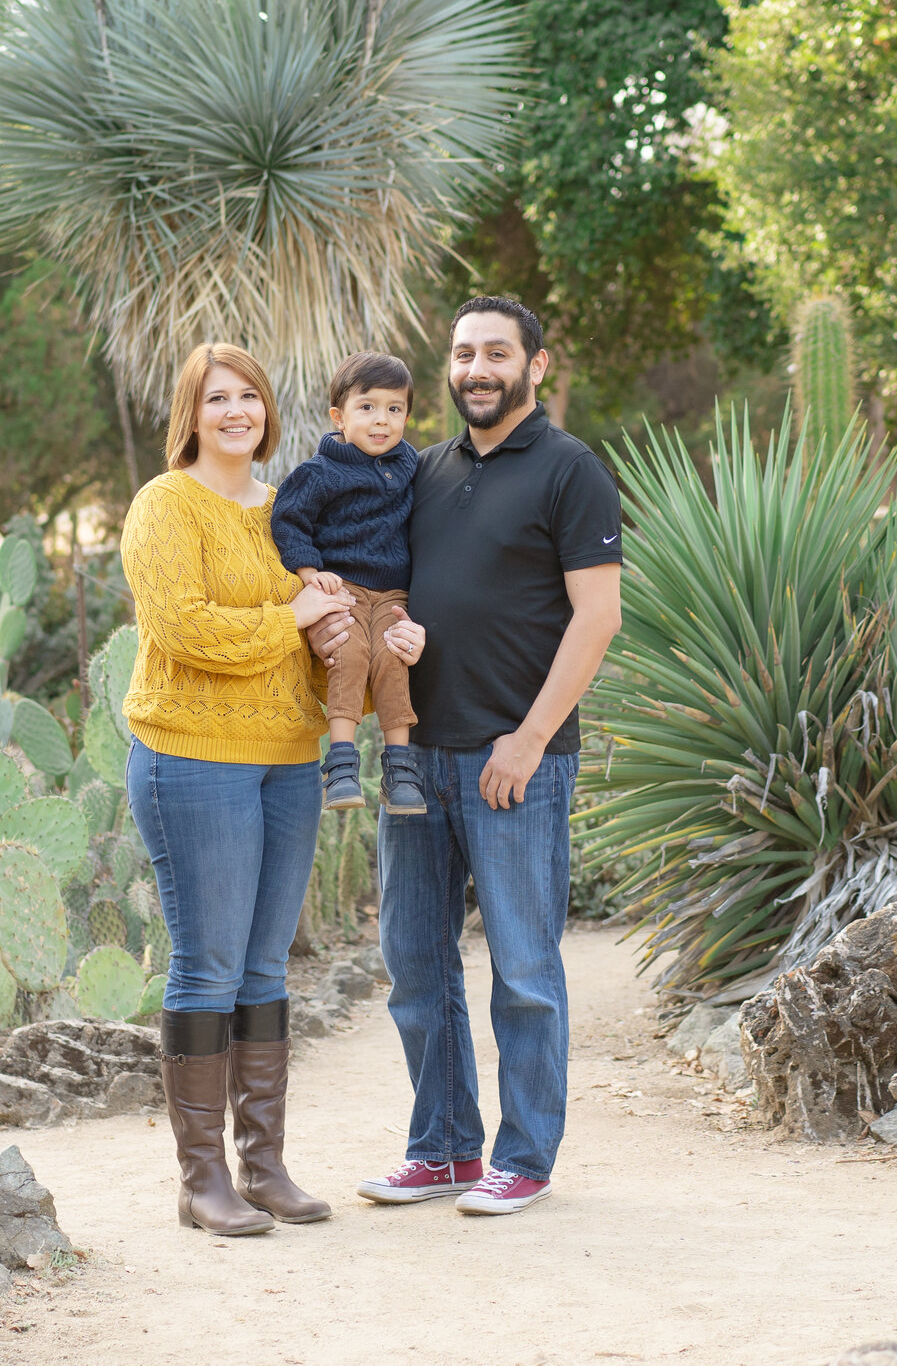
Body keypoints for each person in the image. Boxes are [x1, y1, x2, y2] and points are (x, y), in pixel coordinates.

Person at [119, 342, 424, 1237]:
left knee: (263, 965)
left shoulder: (289, 503)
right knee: (209, 961)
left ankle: (265, 1163)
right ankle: (201, 1175)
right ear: (192, 413)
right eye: (217, 398)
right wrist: (288, 612)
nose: (236, 411)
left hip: (291, 757)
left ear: (269, 409)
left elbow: (343, 619)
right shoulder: (165, 505)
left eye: (248, 395)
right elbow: (181, 628)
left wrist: (388, 640)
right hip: (192, 755)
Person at [334, 296, 623, 1218]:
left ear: (535, 366)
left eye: (497, 352)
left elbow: (598, 616)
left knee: (524, 970)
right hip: (416, 755)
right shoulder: (421, 469)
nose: (476, 368)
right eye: (463, 353)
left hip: (516, 762)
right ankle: (445, 1148)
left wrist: (530, 739)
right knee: (414, 961)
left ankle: (525, 1158)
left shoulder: (572, 470)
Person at [269, 351, 426, 816]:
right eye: (368, 407)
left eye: (395, 409)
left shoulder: (410, 466)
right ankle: (340, 764)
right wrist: (309, 572)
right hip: (345, 589)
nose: (382, 421)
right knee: (350, 654)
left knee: (394, 658)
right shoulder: (319, 472)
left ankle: (400, 769)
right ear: (339, 417)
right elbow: (289, 520)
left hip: (394, 592)